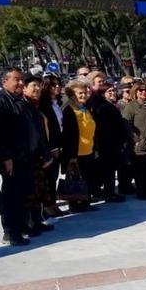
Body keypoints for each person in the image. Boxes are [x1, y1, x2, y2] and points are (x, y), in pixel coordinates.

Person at [0, 68, 39, 246]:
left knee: (23, 194)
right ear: (5, 82)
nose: (21, 83)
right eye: (17, 80)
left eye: (22, 80)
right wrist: (6, 157)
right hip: (12, 159)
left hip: (24, 157)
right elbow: (0, 134)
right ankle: (11, 232)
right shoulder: (1, 101)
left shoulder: (19, 101)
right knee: (12, 196)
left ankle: (21, 227)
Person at [21, 74, 55, 235]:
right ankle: (28, 224)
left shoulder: (37, 105)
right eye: (33, 86)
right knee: (29, 192)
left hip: (40, 156)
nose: (37, 89)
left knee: (39, 191)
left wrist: (46, 154)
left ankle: (37, 220)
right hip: (29, 156)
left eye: (38, 86)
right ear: (24, 88)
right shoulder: (23, 106)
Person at [87, 78, 127, 202]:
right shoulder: (104, 108)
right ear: (104, 94)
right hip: (107, 144)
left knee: (110, 169)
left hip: (112, 143)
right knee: (108, 170)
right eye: (109, 92)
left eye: (114, 91)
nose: (112, 93)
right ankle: (109, 193)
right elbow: (105, 128)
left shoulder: (110, 106)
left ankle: (109, 192)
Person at [61, 79, 97, 212]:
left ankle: (85, 202)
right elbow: (68, 135)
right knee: (74, 178)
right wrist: (71, 155)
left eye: (84, 93)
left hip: (88, 149)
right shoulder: (69, 110)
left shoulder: (84, 107)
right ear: (71, 94)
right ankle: (75, 204)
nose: (83, 95)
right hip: (76, 151)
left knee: (86, 177)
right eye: (79, 93)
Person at [39, 75, 66, 217]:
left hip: (60, 145)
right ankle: (47, 206)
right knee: (48, 178)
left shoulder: (57, 103)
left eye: (58, 84)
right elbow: (47, 128)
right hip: (50, 147)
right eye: (53, 85)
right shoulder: (44, 104)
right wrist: (53, 147)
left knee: (53, 177)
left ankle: (53, 203)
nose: (57, 87)